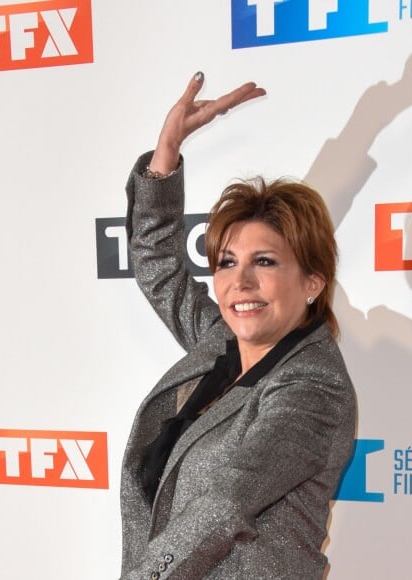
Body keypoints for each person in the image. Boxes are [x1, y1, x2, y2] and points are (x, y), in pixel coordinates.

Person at [120, 72, 356, 580]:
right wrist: (166, 153)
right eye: (226, 263)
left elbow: (223, 502)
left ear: (312, 281)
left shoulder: (314, 385)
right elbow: (158, 266)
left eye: (265, 262)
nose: (240, 283)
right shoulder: (221, 347)